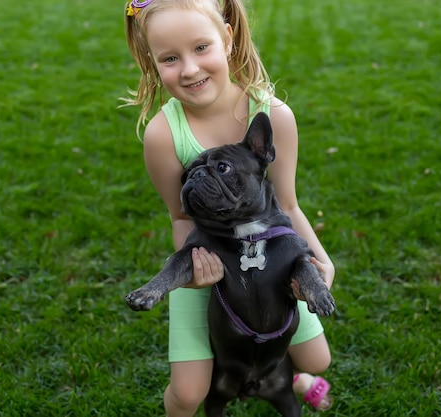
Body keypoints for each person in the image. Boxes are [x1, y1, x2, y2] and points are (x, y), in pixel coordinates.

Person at [122, 0, 335, 415]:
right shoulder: (164, 134)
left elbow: (288, 205)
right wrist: (198, 275)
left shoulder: (273, 115)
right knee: (188, 394)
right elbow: (181, 218)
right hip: (207, 262)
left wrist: (322, 262)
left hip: (272, 263)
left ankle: (293, 374)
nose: (188, 69)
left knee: (317, 359)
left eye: (201, 48)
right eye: (170, 58)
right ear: (151, 61)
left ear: (228, 38)